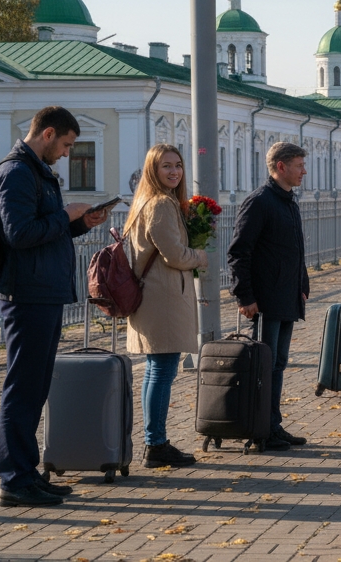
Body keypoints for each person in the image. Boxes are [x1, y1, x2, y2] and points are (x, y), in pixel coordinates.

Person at [0, 106, 109, 507]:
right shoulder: (16, 172)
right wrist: (64, 215)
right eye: (66, 144)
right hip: (26, 294)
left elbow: (41, 231)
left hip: (43, 291)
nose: (67, 153)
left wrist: (79, 224)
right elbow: (19, 234)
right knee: (23, 389)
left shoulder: (36, 171)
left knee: (35, 387)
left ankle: (27, 474)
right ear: (47, 134)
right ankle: (14, 480)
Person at [124, 144, 208, 469]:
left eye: (178, 165)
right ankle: (156, 444)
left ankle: (154, 440)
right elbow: (175, 255)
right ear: (152, 170)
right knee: (161, 371)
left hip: (158, 298)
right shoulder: (160, 204)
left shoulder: (152, 201)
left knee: (156, 370)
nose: (174, 172)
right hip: (163, 300)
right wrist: (200, 256)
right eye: (166, 166)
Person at [228, 142, 311, 451]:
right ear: (281, 167)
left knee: (277, 364)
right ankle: (260, 428)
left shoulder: (288, 201)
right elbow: (239, 253)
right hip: (266, 300)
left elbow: (295, 249)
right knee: (264, 365)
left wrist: (303, 284)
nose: (304, 171)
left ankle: (272, 425)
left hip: (287, 296)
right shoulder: (260, 201)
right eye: (299, 165)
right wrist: (244, 295)